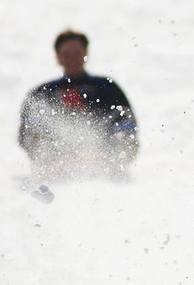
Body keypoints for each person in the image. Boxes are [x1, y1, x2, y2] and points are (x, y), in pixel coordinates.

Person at [18, 29, 138, 179]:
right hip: (55, 164)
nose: (72, 59)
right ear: (58, 57)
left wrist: (120, 141)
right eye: (66, 54)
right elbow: (25, 128)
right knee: (34, 124)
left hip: (104, 161)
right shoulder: (43, 92)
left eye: (77, 53)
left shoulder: (106, 87)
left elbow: (127, 119)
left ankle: (114, 169)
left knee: (124, 130)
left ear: (85, 54)